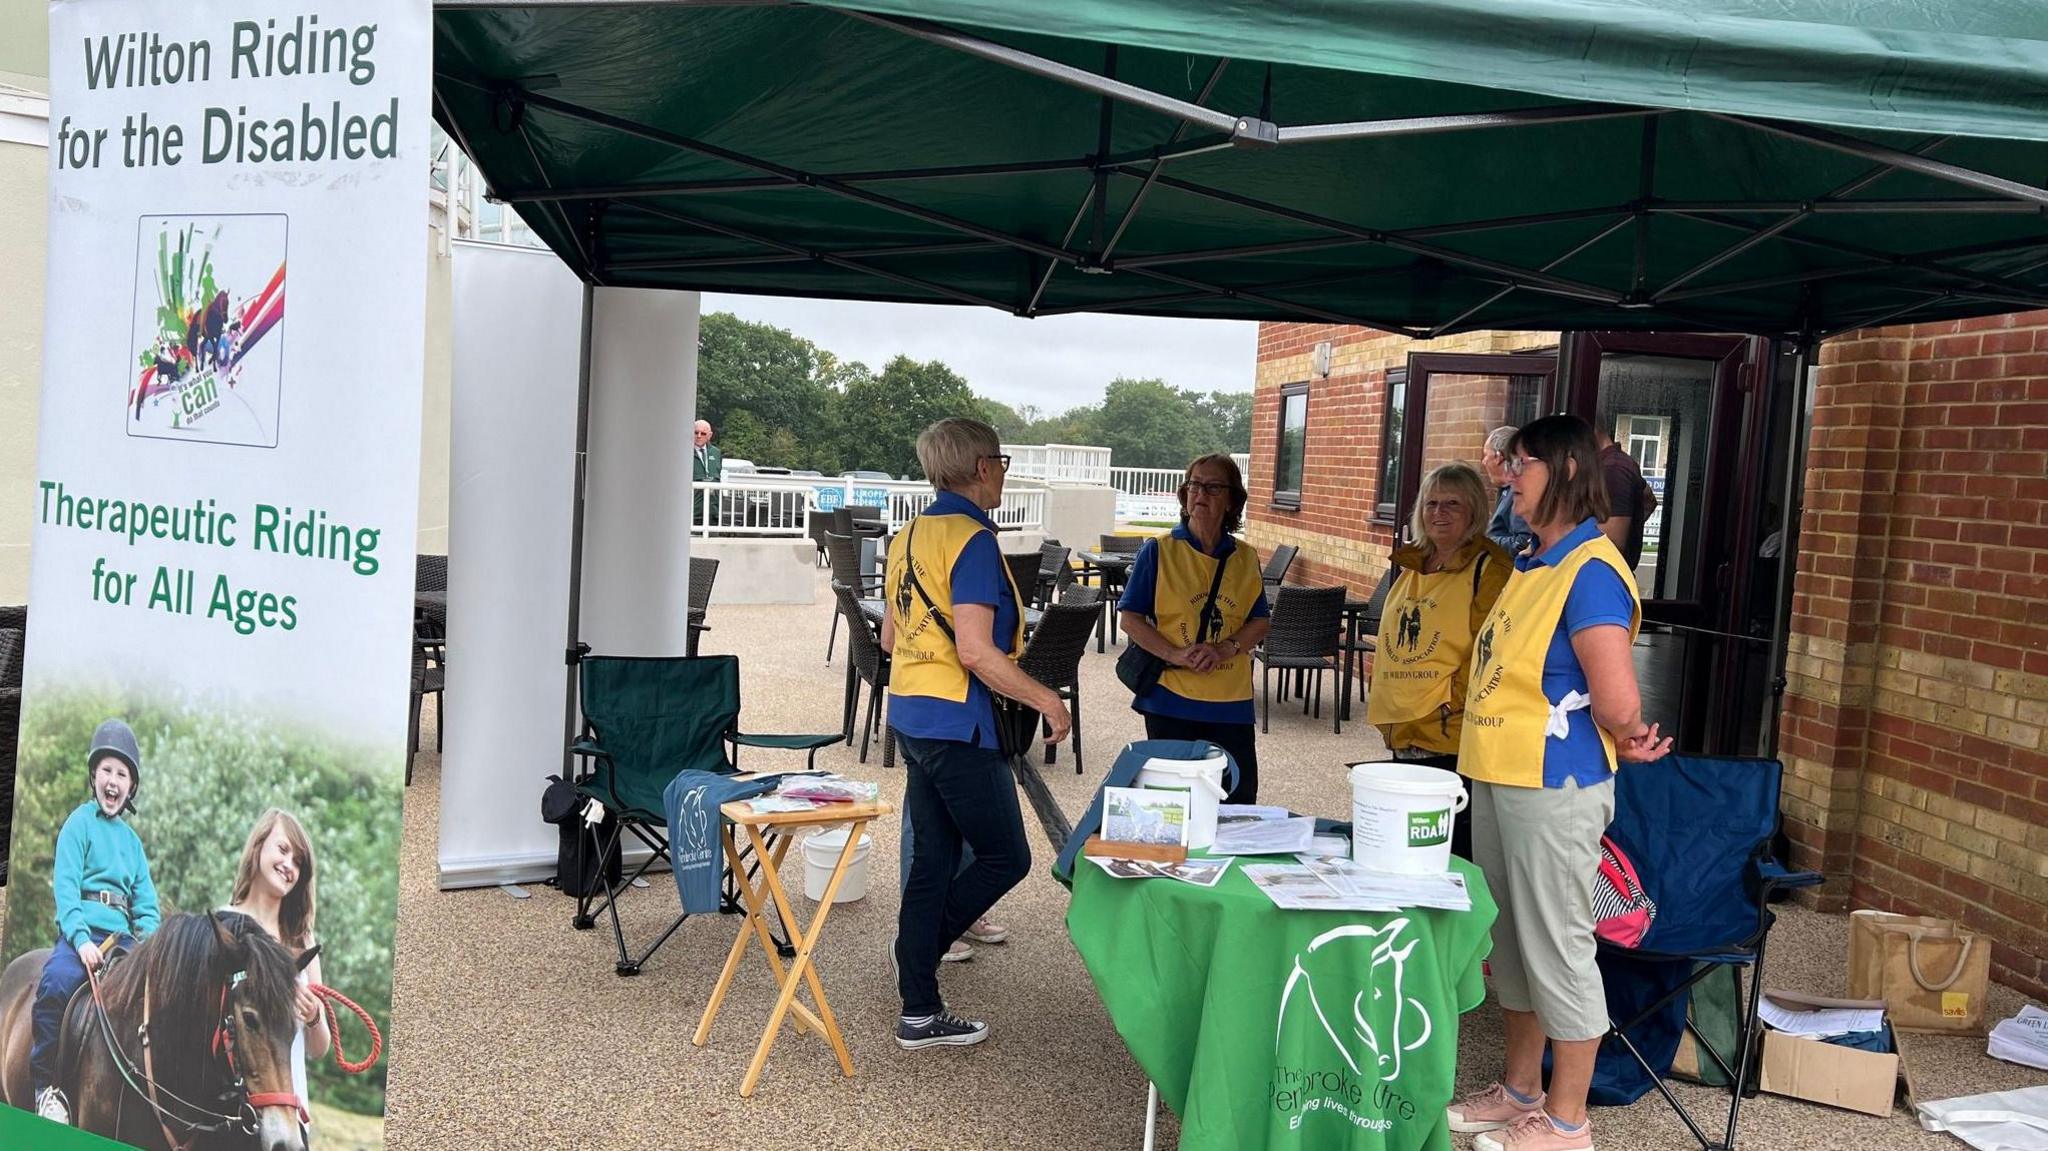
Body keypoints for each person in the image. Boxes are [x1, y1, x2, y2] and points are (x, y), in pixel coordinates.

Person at [1448, 414, 1673, 1151]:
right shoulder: (1534, 562)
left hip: (1553, 785)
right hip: (1502, 776)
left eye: (1522, 465)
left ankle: (1568, 1122)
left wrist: (1627, 729)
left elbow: (1615, 699)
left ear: (1567, 473)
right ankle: (1520, 1090)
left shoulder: (1592, 570)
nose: (1507, 477)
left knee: (1559, 947)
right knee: (1511, 944)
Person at [883, 417, 1071, 1050]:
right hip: (958, 724)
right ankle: (917, 960)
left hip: (911, 714)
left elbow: (889, 638)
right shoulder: (973, 542)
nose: (1003, 476)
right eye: (1003, 464)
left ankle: (919, 1006)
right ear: (984, 467)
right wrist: (1048, 699)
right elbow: (975, 651)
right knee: (1006, 856)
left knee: (935, 858)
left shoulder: (908, 534)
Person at [1117, 454, 1271, 804]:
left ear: (1232, 500)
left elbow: (1259, 621)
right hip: (1170, 699)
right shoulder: (1157, 552)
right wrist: (1175, 653)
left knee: (1237, 800)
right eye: (1194, 485)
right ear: (1184, 495)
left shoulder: (1245, 558)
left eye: (1213, 487)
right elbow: (1131, 618)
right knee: (1171, 803)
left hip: (1230, 702)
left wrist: (1225, 648)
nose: (1200, 493)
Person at [31, 720, 162, 1126]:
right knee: (53, 985)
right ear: (94, 776)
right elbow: (66, 889)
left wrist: (151, 948)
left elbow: (148, 907)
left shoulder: (132, 844)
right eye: (107, 770)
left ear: (131, 788)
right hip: (81, 939)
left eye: (122, 774)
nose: (113, 781)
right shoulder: (78, 824)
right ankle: (45, 1088)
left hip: (121, 943)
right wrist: (81, 938)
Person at [1367, 462, 1512, 760]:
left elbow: (1493, 652)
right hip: (1403, 727)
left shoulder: (1489, 570)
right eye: (1431, 503)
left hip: (1447, 734)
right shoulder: (1414, 565)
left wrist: (1449, 704)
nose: (1438, 512)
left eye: (1452, 504)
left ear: (1474, 511)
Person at [224, 809, 330, 1123]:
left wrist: (313, 1017)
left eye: (298, 861)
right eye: (283, 850)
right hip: (233, 1121)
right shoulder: (224, 926)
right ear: (258, 846)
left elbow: (318, 1049)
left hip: (290, 1116)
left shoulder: (301, 940)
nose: (289, 866)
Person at [1593, 424, 1657, 569]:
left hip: (1604, 577)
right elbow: (1649, 500)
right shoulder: (1619, 462)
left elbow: (1612, 543)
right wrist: (1633, 523)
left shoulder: (1613, 469)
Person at [1482, 425, 1536, 556]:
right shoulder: (1506, 489)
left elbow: (1523, 543)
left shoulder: (1519, 491)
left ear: (1499, 457)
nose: (1483, 462)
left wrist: (1483, 541)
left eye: (1485, 455)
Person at [692, 419, 722, 483]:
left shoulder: (716, 452)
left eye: (703, 433)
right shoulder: (685, 452)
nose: (699, 436)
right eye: (696, 433)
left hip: (713, 491)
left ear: (710, 435)